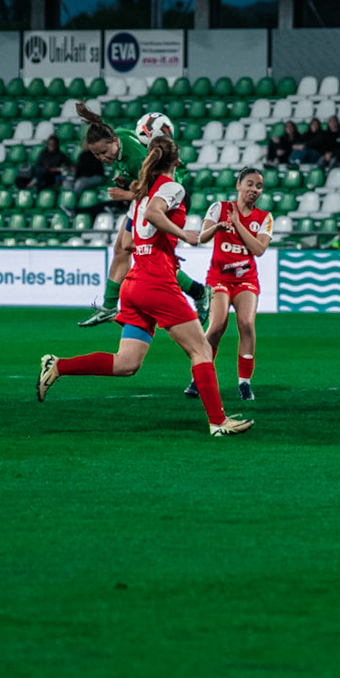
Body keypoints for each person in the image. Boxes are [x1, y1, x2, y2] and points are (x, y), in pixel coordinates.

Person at [37, 134, 253, 437]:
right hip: (156, 283)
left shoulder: (140, 193)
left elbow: (126, 243)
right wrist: (182, 235)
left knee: (127, 363)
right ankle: (218, 422)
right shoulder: (172, 187)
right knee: (201, 349)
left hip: (135, 281)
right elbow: (154, 213)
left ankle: (58, 365)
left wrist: (162, 247)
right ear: (177, 160)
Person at [73, 103, 210, 328]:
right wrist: (127, 182)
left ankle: (198, 292)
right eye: (96, 154)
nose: (101, 158)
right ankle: (109, 307)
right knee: (123, 247)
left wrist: (126, 193)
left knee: (152, 260)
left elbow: (160, 187)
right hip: (146, 198)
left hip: (168, 198)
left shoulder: (135, 156)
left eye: (104, 152)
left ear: (114, 141)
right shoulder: (119, 140)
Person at [184, 166, 273, 403]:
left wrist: (237, 223)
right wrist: (217, 227)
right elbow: (202, 237)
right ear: (238, 185)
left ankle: (244, 383)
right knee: (217, 325)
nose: (254, 189)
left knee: (246, 323)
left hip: (246, 280)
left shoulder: (264, 218)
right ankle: (198, 378)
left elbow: (259, 249)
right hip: (219, 278)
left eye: (259, 186)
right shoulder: (219, 208)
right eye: (250, 184)